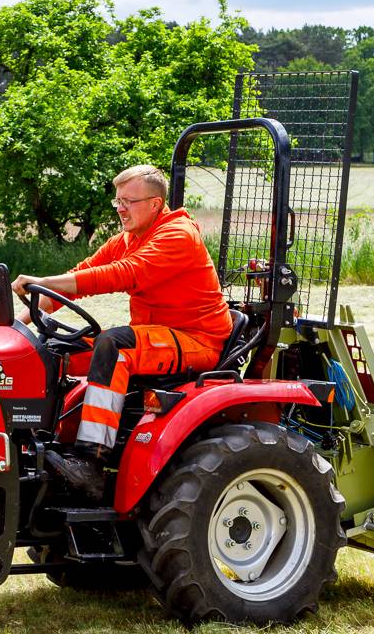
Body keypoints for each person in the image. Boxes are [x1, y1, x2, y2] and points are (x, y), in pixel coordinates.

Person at [12, 164, 233, 500]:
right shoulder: (128, 239)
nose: (120, 208)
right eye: (117, 201)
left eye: (129, 201)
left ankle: (91, 462)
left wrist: (41, 282)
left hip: (194, 339)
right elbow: (79, 279)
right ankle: (36, 446)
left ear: (156, 204)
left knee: (112, 346)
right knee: (52, 349)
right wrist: (16, 326)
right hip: (154, 333)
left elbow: (122, 275)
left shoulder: (177, 236)